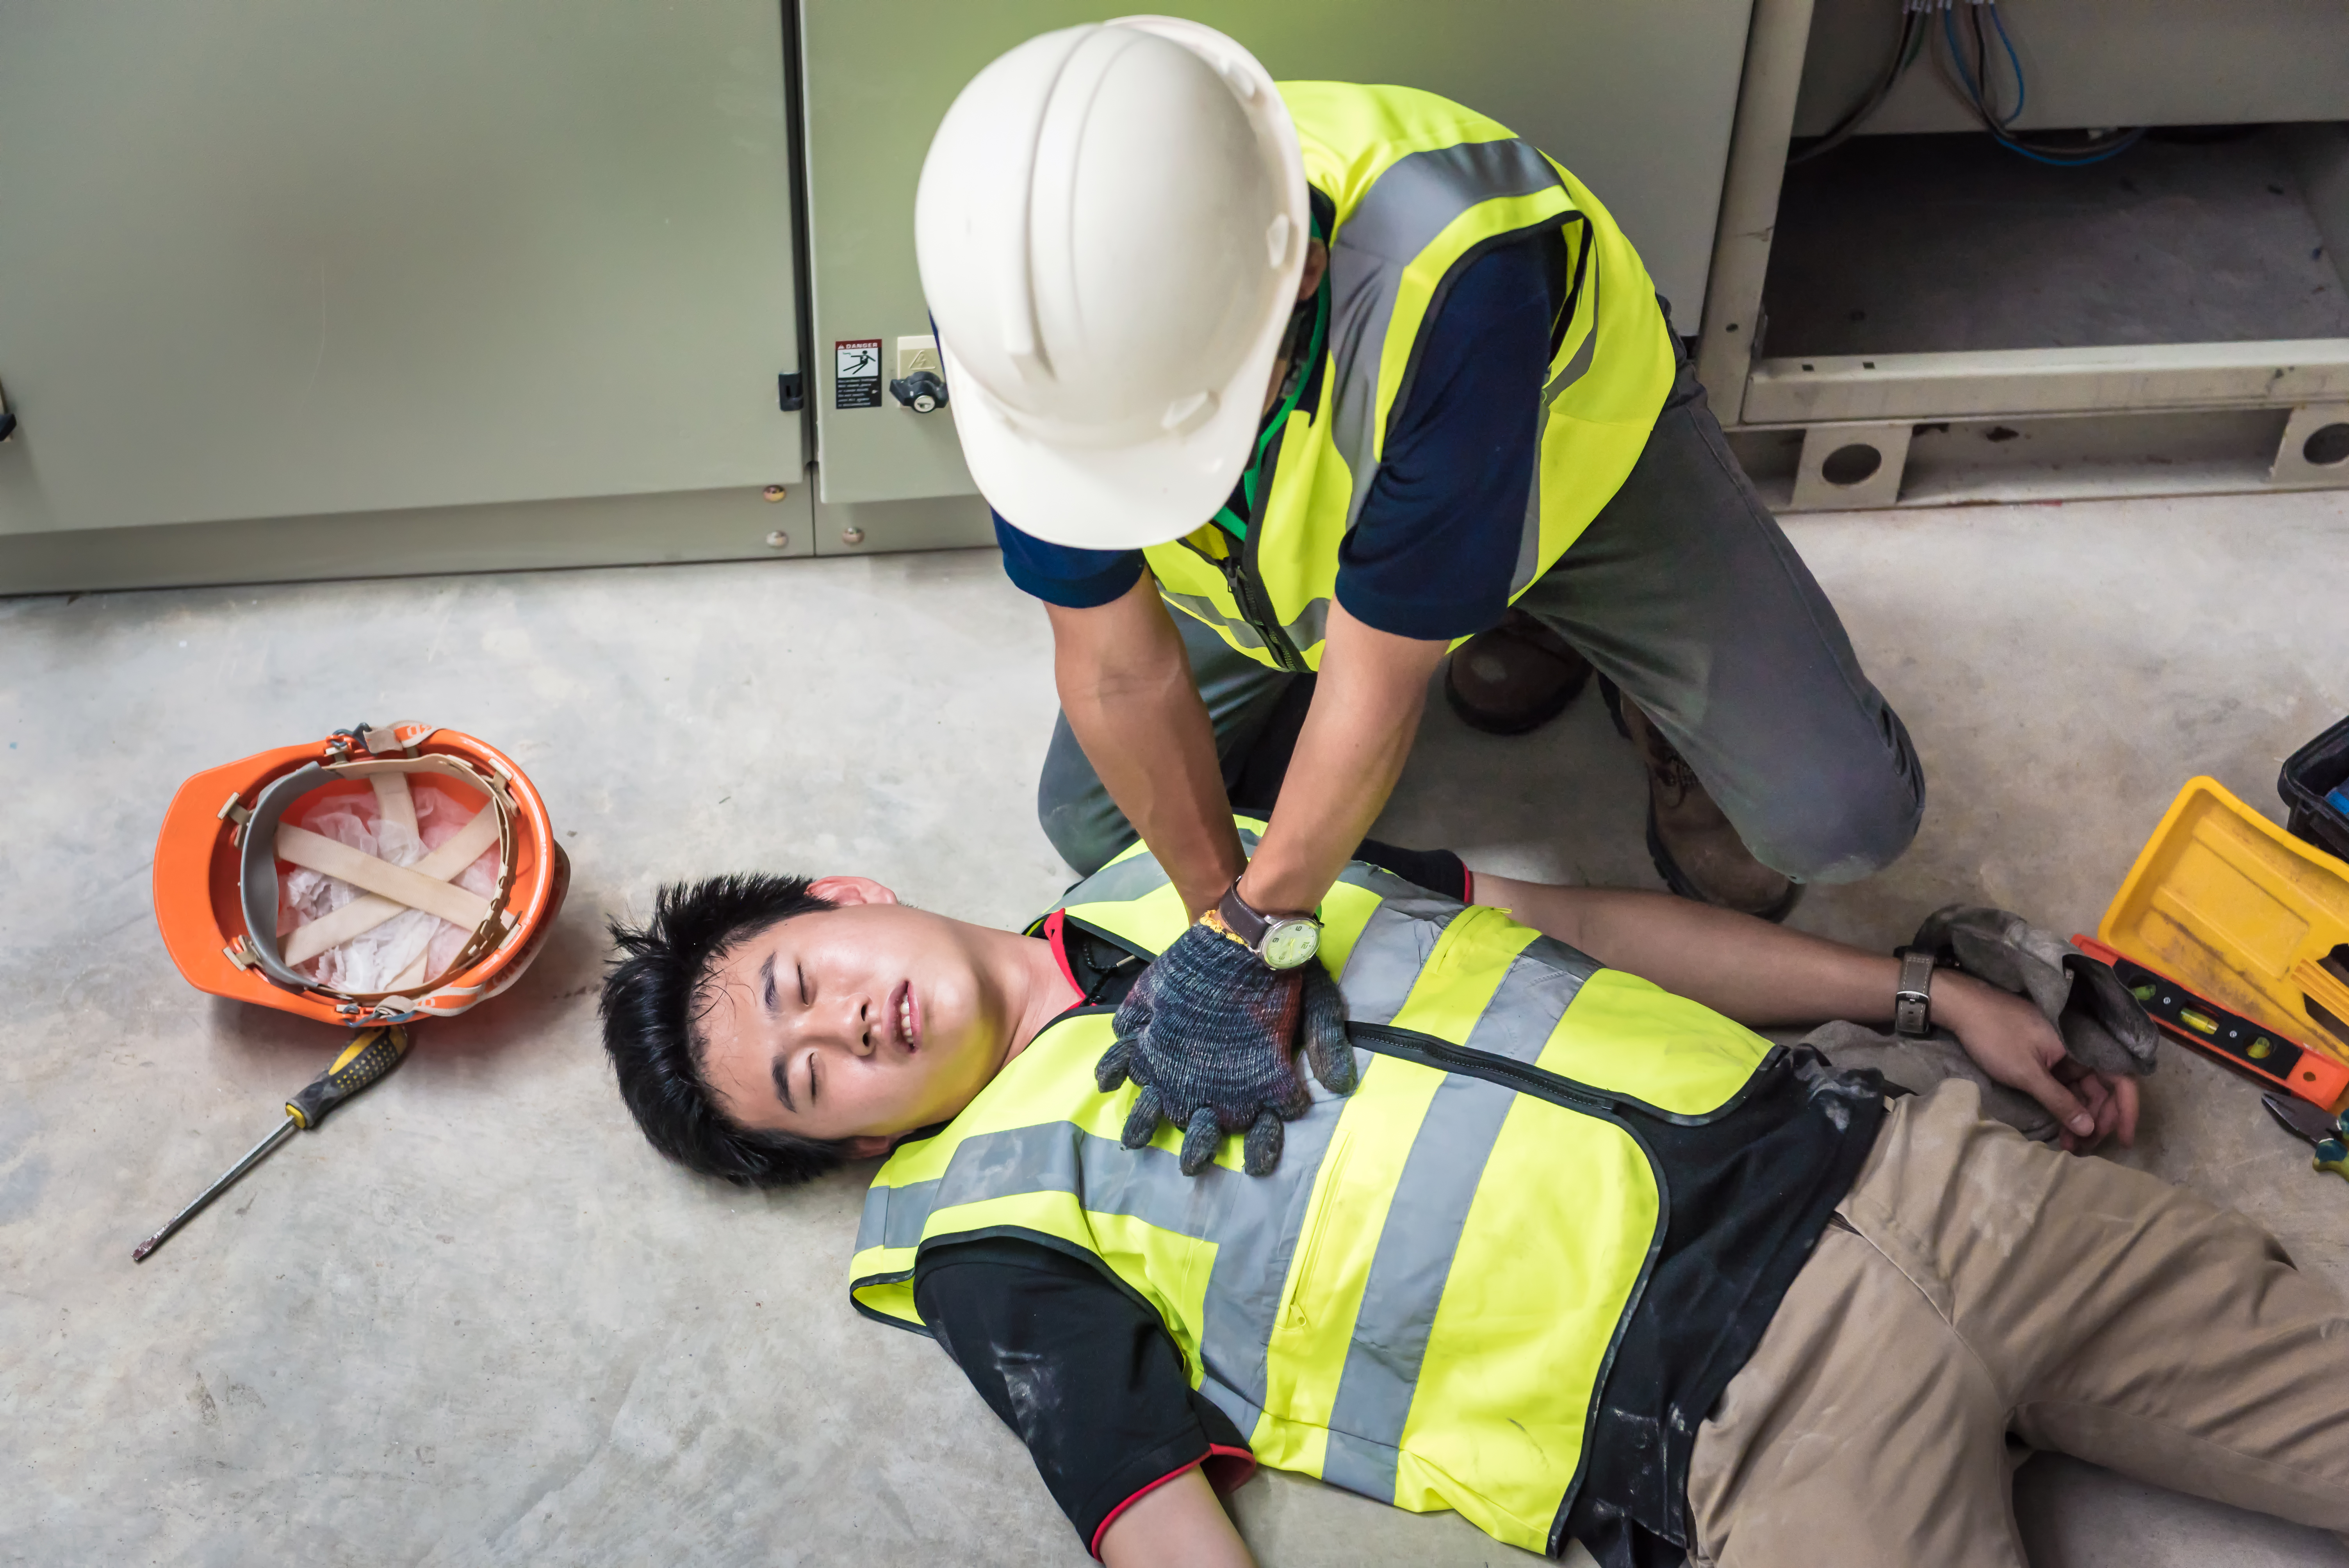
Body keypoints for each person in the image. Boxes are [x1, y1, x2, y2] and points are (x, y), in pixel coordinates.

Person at [598, 830, 2349, 1568]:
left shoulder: (1196, 848)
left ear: (848, 891)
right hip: (1754, 1429)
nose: (841, 1022)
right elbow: (1140, 1506)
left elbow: (1567, 923)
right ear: (845, 1147)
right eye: (810, 1076)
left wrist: (1908, 988)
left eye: (799, 978)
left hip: (1935, 1176)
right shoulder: (986, 1217)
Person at [912, 19, 1927, 1169]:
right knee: (1098, 830)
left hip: (1564, 474)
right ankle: (1425, 642)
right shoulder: (1015, 298)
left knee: (1836, 822)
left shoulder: (1456, 275)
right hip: (1293, 556)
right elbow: (1113, 662)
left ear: (1297, 267)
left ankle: (1577, 635)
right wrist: (1225, 930)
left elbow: (1377, 677)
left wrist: (1270, 916)